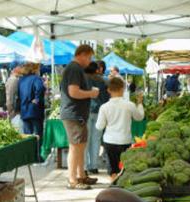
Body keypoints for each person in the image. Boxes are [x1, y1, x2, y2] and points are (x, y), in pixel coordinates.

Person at [60, 44, 99, 190]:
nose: (90, 61)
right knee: (75, 147)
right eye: (89, 57)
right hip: (74, 113)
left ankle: (81, 175)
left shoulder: (75, 69)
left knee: (80, 146)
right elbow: (73, 92)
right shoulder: (74, 69)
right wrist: (91, 93)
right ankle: (72, 180)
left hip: (78, 114)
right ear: (81, 54)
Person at [96, 77, 144, 182]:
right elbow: (139, 117)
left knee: (112, 170)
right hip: (125, 140)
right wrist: (140, 103)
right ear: (123, 89)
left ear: (108, 90)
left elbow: (99, 126)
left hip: (109, 141)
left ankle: (113, 185)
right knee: (123, 168)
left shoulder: (104, 107)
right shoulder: (129, 105)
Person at [84, 61, 110, 174]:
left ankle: (84, 167)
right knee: (96, 140)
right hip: (100, 112)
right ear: (97, 70)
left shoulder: (84, 80)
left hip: (86, 111)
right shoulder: (104, 81)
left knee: (86, 140)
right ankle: (93, 166)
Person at [18, 62, 45, 162]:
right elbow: (40, 88)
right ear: (34, 69)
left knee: (27, 135)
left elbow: (19, 94)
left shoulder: (21, 80)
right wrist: (37, 99)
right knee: (38, 134)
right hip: (35, 110)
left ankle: (28, 157)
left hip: (24, 109)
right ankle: (36, 156)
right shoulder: (36, 78)